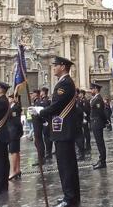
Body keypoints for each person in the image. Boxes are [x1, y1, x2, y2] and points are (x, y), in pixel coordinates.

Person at [32, 56, 80, 207]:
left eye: (56, 65)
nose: (53, 67)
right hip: (63, 129)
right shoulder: (64, 83)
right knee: (68, 164)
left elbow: (56, 106)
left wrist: (41, 111)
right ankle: (72, 195)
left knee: (66, 165)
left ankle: (69, 197)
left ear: (63, 67)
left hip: (64, 130)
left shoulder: (64, 84)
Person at [89, 82, 108, 169]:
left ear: (96, 89)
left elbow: (101, 112)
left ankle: (103, 161)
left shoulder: (98, 99)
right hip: (95, 122)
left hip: (97, 123)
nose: (91, 90)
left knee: (100, 143)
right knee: (98, 143)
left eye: (92, 89)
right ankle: (101, 159)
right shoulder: (94, 99)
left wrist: (105, 121)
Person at [7, 94, 23, 180]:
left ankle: (13, 171)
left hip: (13, 132)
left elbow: (16, 121)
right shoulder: (12, 107)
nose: (8, 99)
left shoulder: (15, 108)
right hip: (14, 132)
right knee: (16, 151)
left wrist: (18, 132)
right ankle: (17, 170)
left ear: (14, 99)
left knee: (13, 151)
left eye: (10, 98)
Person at [30, 89, 45, 163]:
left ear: (36, 94)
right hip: (36, 124)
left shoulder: (38, 102)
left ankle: (41, 158)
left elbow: (40, 113)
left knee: (38, 141)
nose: (31, 96)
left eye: (32, 94)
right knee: (37, 141)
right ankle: (41, 157)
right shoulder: (35, 102)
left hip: (38, 124)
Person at [39, 86, 53, 159]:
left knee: (47, 138)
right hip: (43, 121)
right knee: (46, 137)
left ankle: (48, 152)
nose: (40, 93)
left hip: (47, 122)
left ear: (44, 92)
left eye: (41, 91)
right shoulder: (42, 100)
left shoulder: (47, 101)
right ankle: (48, 152)